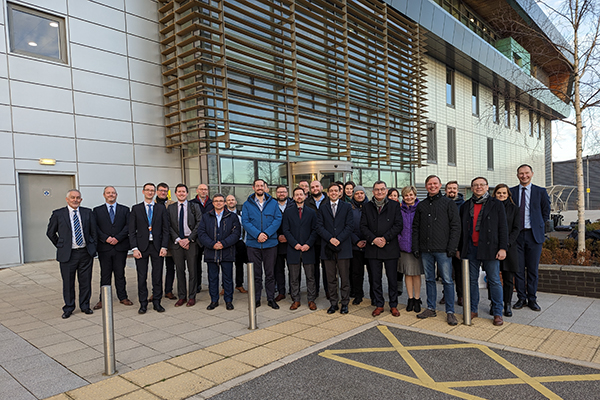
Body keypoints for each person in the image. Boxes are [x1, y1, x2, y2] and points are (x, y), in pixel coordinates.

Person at [457, 177, 508, 326]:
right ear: (472, 188)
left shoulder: (496, 205)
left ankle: (498, 312)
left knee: (494, 281)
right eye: (475, 185)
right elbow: (461, 230)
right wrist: (459, 248)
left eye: (481, 185)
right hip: (470, 248)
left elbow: (503, 228)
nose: (478, 187)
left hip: (491, 248)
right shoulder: (466, 206)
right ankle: (473, 309)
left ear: (487, 187)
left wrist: (503, 248)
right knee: (471, 281)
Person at [413, 175, 461, 326]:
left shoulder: (448, 203)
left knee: (447, 280)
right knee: (429, 280)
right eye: (429, 184)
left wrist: (452, 247)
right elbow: (415, 228)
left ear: (440, 185)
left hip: (443, 250)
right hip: (426, 249)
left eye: (435, 183)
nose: (432, 186)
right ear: (426, 186)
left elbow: (455, 226)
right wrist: (415, 247)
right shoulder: (422, 205)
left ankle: (450, 312)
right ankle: (431, 308)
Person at [47, 189, 97, 319]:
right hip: (68, 255)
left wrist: (93, 246)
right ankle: (69, 307)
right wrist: (61, 245)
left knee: (85, 281)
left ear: (81, 200)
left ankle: (85, 305)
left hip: (85, 253)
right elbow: (50, 233)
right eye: (73, 197)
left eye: (78, 198)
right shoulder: (58, 214)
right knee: (68, 283)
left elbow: (94, 232)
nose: (75, 200)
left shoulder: (87, 212)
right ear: (67, 199)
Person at [510, 164, 550, 312]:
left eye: (526, 173)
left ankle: (532, 299)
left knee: (532, 269)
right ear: (517, 175)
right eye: (521, 173)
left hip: (534, 235)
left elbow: (546, 212)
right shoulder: (512, 192)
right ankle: (521, 298)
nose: (524, 176)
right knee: (518, 269)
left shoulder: (540, 192)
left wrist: (538, 225)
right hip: (517, 236)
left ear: (532, 174)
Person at [361, 181, 403, 317]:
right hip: (373, 248)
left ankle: (393, 305)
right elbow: (363, 226)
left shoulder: (395, 205)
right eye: (377, 190)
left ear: (386, 191)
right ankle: (379, 304)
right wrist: (373, 239)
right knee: (375, 279)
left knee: (392, 279)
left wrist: (385, 238)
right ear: (372, 192)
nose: (380, 192)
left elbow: (398, 225)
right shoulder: (367, 207)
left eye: (382, 189)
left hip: (389, 247)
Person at [242, 179, 282, 309]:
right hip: (253, 245)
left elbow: (277, 219)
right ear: (253, 188)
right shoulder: (247, 204)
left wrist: (266, 234)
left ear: (265, 188)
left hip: (270, 244)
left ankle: (271, 298)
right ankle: (256, 298)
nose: (260, 188)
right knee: (256, 274)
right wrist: (257, 234)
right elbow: (245, 222)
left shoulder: (273, 203)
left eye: (262, 186)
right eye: (257, 185)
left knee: (270, 273)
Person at [129, 183, 169, 314]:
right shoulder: (136, 208)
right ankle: (143, 304)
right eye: (148, 190)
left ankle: (157, 302)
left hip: (157, 247)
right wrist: (134, 248)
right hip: (141, 247)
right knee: (142, 276)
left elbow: (165, 229)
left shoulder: (161, 208)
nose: (150, 192)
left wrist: (164, 246)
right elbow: (132, 230)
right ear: (143, 192)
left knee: (157, 276)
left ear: (155, 192)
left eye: (152, 190)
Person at [198, 194, 241, 311]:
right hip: (211, 252)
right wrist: (212, 244)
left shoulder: (232, 217)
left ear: (225, 203)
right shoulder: (206, 216)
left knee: (227, 278)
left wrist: (223, 243)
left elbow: (236, 234)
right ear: (213, 203)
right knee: (212, 278)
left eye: (221, 201)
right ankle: (214, 300)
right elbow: (201, 233)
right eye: (216, 201)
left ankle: (228, 300)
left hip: (227, 252)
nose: (218, 203)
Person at [92, 186, 132, 310]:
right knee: (105, 274)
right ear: (104, 195)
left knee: (120, 273)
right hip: (104, 247)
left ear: (116, 195)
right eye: (108, 193)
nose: (111, 195)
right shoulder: (97, 211)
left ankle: (123, 297)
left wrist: (118, 238)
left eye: (113, 193)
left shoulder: (125, 210)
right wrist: (106, 238)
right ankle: (103, 299)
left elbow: (128, 226)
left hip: (120, 247)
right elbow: (95, 228)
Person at [316, 183, 354, 314]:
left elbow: (350, 225)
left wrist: (339, 239)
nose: (333, 193)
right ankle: (333, 303)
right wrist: (330, 239)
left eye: (335, 191)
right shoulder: (323, 207)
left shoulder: (347, 207)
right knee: (331, 278)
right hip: (328, 247)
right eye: (331, 191)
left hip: (343, 247)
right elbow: (319, 226)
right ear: (328, 192)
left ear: (340, 193)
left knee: (344, 278)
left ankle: (344, 303)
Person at [282, 187, 319, 310]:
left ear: (305, 196)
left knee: (310, 277)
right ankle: (296, 299)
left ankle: (311, 300)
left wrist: (308, 244)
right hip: (293, 249)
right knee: (294, 277)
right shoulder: (288, 212)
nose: (299, 196)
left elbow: (315, 230)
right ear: (293, 197)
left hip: (308, 249)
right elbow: (286, 230)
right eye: (296, 195)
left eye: (301, 194)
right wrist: (295, 244)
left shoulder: (311, 212)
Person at [167, 184, 202, 307]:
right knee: (180, 271)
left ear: (187, 193)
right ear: (176, 194)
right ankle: (182, 296)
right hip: (177, 244)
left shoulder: (194, 206)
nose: (181, 193)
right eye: (179, 192)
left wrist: (189, 239)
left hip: (191, 243)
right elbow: (168, 226)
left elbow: (199, 223)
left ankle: (192, 296)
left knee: (193, 271)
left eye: (183, 191)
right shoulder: (170, 208)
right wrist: (178, 239)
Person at [493, 184, 521, 317]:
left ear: (508, 195)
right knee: (493, 279)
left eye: (504, 193)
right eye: (499, 193)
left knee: (508, 279)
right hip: (493, 247)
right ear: (495, 194)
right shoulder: (490, 208)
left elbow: (517, 228)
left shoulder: (515, 209)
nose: (501, 195)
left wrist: (506, 243)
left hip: (510, 247)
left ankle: (507, 304)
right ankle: (494, 303)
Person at [398, 186, 423, 313]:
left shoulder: (421, 208)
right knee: (407, 273)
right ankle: (410, 298)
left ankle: (417, 299)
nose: (409, 197)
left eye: (411, 195)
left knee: (416, 274)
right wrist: (399, 239)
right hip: (403, 246)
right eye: (406, 195)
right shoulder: (399, 210)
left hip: (416, 247)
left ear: (415, 195)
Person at [443, 180, 465, 307]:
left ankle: (460, 295)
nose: (452, 190)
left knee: (459, 272)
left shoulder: (463, 205)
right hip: (444, 244)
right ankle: (446, 294)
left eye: (454, 188)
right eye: (449, 188)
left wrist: (460, 246)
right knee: (446, 272)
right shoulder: (442, 203)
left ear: (458, 190)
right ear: (445, 190)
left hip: (459, 243)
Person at [305, 180, 329, 298]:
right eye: (312, 187)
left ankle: (329, 291)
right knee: (313, 268)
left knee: (327, 267)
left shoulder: (329, 200)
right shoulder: (306, 202)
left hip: (326, 240)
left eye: (317, 186)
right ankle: (315, 291)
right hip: (312, 241)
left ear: (321, 187)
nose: (315, 189)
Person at [155, 182, 177, 300]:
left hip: (170, 242)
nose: (163, 193)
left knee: (170, 267)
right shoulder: (151, 204)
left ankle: (168, 290)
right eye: (161, 190)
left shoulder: (173, 204)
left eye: (165, 191)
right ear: (157, 191)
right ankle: (156, 291)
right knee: (157, 268)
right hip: (156, 242)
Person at [191, 183, 214, 293]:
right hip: (196, 238)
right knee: (196, 263)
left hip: (209, 238)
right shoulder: (191, 203)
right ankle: (197, 285)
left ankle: (212, 285)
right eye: (201, 189)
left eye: (205, 189)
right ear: (197, 191)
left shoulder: (213, 203)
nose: (203, 191)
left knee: (211, 263)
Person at [349, 185, 370, 305]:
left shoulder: (370, 207)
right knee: (356, 273)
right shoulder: (349, 208)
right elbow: (348, 226)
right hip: (355, 246)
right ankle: (358, 295)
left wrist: (368, 240)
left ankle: (374, 295)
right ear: (353, 195)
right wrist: (356, 241)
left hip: (369, 245)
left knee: (373, 273)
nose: (359, 195)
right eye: (357, 193)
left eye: (362, 193)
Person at [275, 185, 294, 302]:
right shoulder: (271, 206)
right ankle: (281, 292)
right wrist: (277, 236)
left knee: (292, 269)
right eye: (279, 192)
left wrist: (288, 237)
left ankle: (293, 291)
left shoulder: (293, 205)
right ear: (276, 194)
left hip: (290, 243)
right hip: (276, 242)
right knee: (278, 269)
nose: (281, 194)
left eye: (283, 192)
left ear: (287, 193)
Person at [226, 195, 248, 293]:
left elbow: (246, 229)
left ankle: (239, 285)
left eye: (233, 200)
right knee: (226, 265)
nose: (231, 202)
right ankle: (225, 286)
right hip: (226, 243)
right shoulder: (223, 214)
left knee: (239, 265)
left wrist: (245, 241)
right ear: (225, 203)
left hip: (239, 242)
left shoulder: (241, 214)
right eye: (229, 200)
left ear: (236, 202)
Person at [387, 187, 404, 296]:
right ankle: (391, 287)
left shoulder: (401, 208)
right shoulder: (386, 207)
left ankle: (399, 287)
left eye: (395, 196)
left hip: (400, 241)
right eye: (391, 195)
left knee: (399, 268)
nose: (393, 197)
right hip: (390, 240)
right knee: (391, 268)